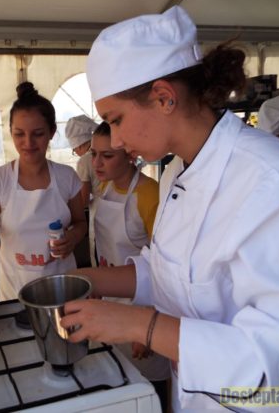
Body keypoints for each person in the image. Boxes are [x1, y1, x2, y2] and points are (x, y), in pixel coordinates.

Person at [60, 6, 279, 412]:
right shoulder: (177, 171)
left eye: (117, 119)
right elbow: (169, 273)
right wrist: (83, 280)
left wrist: (137, 324)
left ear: (164, 97)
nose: (117, 140)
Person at [0, 82, 87, 301]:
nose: (28, 143)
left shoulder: (66, 177)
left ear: (51, 132)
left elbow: (80, 223)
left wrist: (73, 237)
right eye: (19, 134)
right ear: (10, 132)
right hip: (16, 292)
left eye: (38, 134)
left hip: (64, 288)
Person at [90, 121, 169, 410]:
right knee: (121, 385)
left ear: (130, 155)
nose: (97, 163)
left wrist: (149, 326)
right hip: (110, 304)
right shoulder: (104, 188)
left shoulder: (150, 195)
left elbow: (163, 268)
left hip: (144, 310)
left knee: (150, 392)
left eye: (107, 156)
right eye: (93, 154)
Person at [65, 115, 101, 207]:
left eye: (74, 150)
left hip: (101, 210)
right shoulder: (105, 150)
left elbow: (83, 200)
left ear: (79, 145)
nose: (76, 153)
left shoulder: (84, 162)